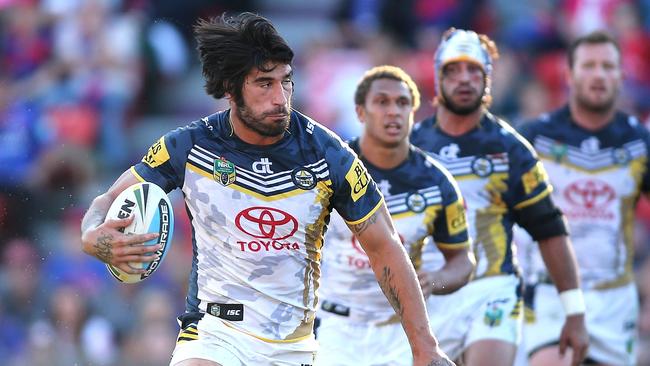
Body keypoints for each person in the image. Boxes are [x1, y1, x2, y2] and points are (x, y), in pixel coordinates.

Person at [79, 13, 451, 366]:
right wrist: (91, 234)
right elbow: (108, 199)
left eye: (286, 81)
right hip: (214, 330)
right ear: (230, 88)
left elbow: (385, 246)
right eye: (264, 83)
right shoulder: (190, 146)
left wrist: (425, 348)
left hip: (294, 346)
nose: (280, 98)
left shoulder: (328, 155)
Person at [409, 28, 589, 366]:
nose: (464, 79)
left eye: (474, 70)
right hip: (427, 293)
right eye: (453, 70)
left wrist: (575, 312)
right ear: (437, 77)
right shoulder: (408, 148)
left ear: (488, 78)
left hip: (491, 289)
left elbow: (549, 228)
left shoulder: (511, 150)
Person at [316, 65, 475, 365]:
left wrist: (437, 281)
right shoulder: (330, 171)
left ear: (414, 112)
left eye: (403, 103)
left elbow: (463, 261)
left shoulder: (437, 182)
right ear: (360, 113)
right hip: (334, 328)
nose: (393, 112)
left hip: (403, 331)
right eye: (382, 102)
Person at [518, 30, 650, 366]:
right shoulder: (536, 137)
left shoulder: (639, 142)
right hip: (551, 292)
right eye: (589, 65)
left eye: (608, 66)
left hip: (614, 296)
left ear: (622, 76)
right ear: (569, 75)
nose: (598, 74)